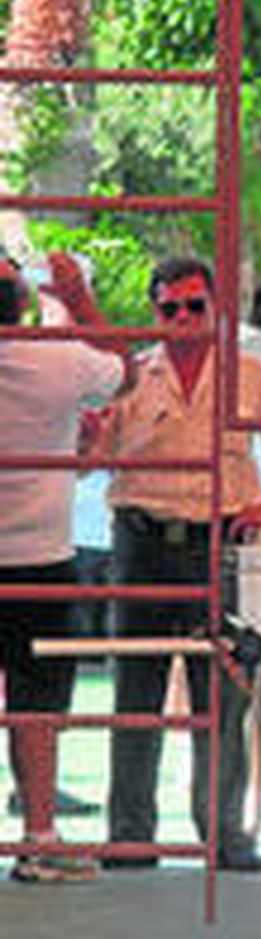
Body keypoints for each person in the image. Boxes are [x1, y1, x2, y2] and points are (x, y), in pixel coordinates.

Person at [93, 257, 261, 872]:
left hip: (219, 543)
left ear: (217, 309)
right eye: (170, 309)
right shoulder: (131, 377)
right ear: (155, 313)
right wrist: (85, 435)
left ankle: (223, 836)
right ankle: (131, 835)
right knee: (137, 688)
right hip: (142, 541)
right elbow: (91, 458)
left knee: (224, 695)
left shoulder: (251, 377)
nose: (183, 320)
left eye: (195, 307)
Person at [0, 251, 125, 882]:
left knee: (33, 701)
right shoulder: (59, 360)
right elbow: (121, 370)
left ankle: (40, 839)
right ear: (23, 299)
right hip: (39, 560)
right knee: (37, 703)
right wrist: (77, 297)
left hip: (36, 554)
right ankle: (39, 837)